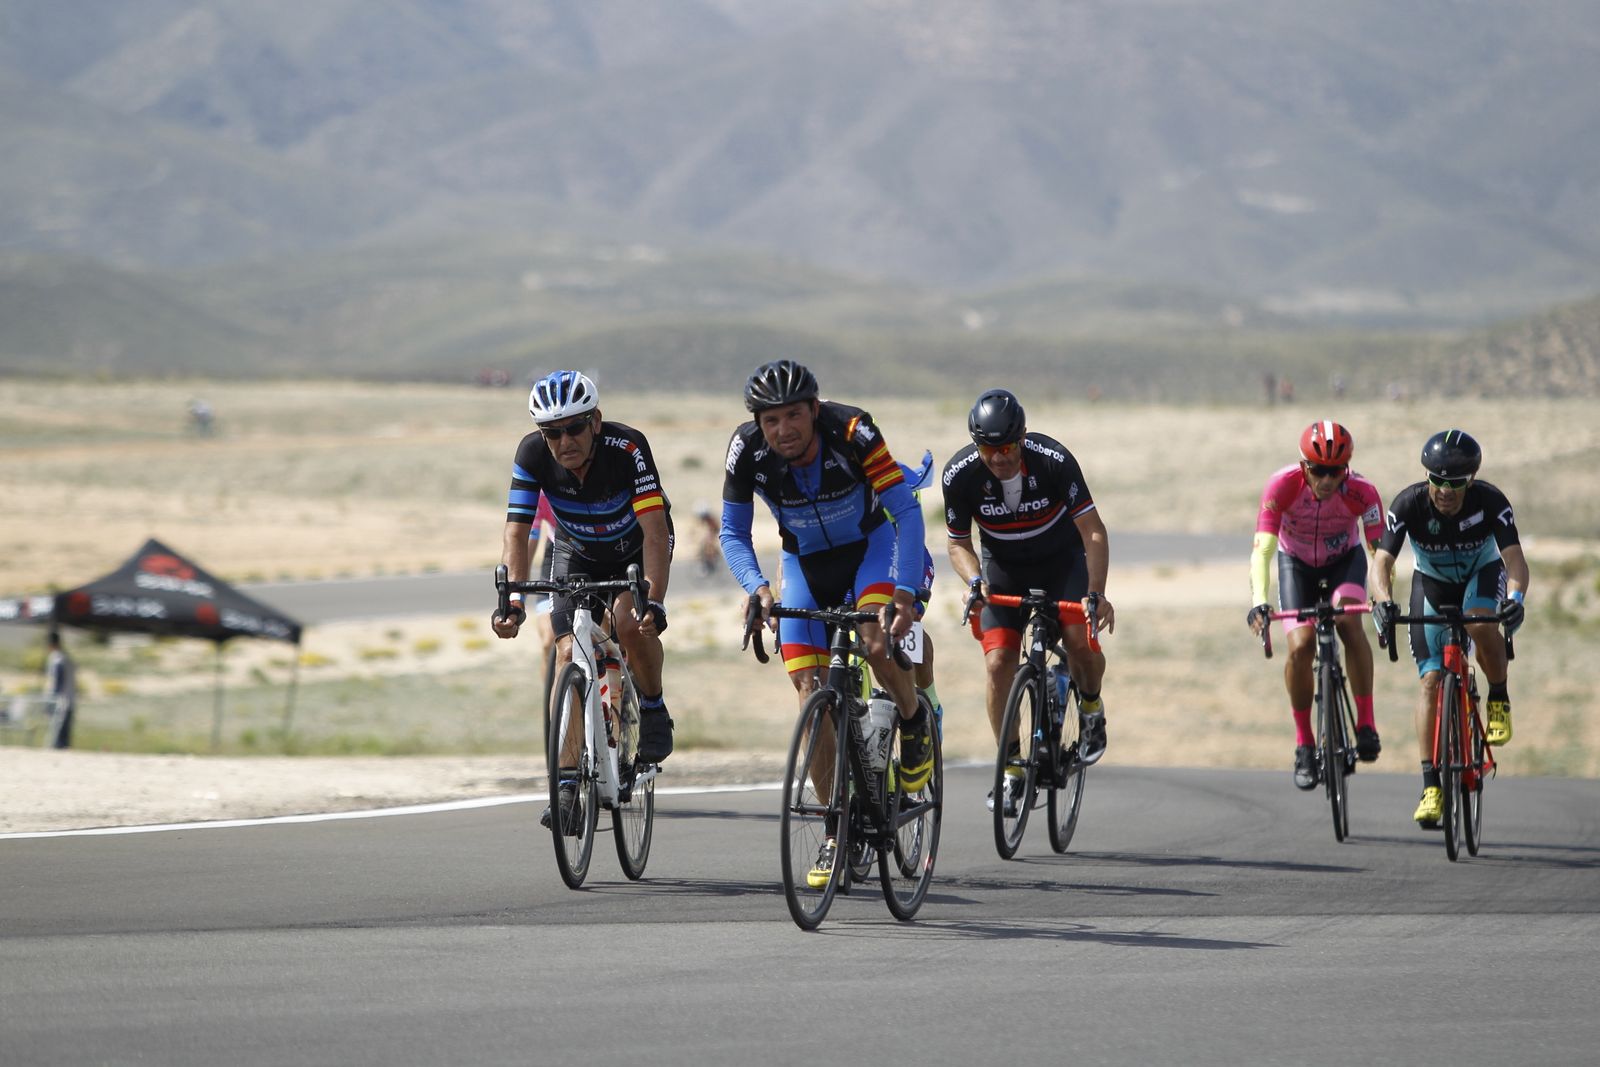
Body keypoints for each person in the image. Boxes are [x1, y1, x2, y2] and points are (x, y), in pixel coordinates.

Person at [720, 360, 935, 888]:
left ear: (815, 410)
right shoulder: (745, 451)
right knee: (808, 692)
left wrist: (905, 591)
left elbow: (905, 513)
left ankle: (913, 722)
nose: (783, 430)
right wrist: (758, 589)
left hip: (871, 548)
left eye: (794, 415)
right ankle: (837, 829)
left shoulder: (854, 431)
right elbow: (732, 532)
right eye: (771, 421)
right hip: (804, 563)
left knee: (877, 642)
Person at [491, 371, 675, 833]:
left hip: (636, 545)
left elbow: (654, 531)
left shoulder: (627, 447)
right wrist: (511, 599)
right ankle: (570, 784)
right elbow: (517, 530)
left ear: (595, 421)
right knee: (568, 650)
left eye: (574, 427)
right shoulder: (531, 454)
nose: (563, 441)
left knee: (630, 624)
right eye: (552, 432)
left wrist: (654, 601)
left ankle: (652, 707)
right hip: (578, 552)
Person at [941, 388, 1114, 816]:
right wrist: (975, 580)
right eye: (988, 448)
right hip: (1002, 567)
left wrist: (1095, 593)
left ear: (1022, 437)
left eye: (1007, 447)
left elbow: (1092, 530)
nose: (998, 457)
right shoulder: (959, 475)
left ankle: (1090, 705)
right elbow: (957, 543)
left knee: (1078, 638)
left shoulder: (1054, 460)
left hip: (1061, 564)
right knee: (999, 663)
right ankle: (1013, 764)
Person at [1369, 429, 1528, 830]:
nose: (1444, 491)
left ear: (1470, 480)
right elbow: (1381, 563)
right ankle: (1430, 785)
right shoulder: (1408, 503)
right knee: (1429, 681)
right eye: (1436, 481)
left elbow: (1513, 559)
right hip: (1432, 583)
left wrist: (1516, 598)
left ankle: (1498, 698)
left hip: (1481, 572)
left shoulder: (1490, 501)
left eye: (1454, 483)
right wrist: (1383, 602)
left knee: (1478, 620)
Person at [1246, 421, 1386, 790]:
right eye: (1319, 470)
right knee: (1301, 646)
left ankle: (1366, 723)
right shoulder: (1281, 486)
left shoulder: (1363, 493)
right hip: (1296, 565)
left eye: (1335, 471)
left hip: (1345, 562)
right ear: (1304, 466)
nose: (1327, 480)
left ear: (1347, 469)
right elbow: (1262, 549)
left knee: (1349, 621)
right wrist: (1259, 602)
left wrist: (1383, 599)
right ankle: (1304, 744)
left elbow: (1377, 553)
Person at [44, 630, 76, 749]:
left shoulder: (57, 659)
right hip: (70, 698)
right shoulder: (66, 657)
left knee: (58, 733)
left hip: (61, 700)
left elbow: (57, 681)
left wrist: (52, 700)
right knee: (65, 735)